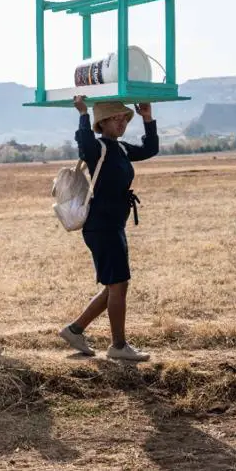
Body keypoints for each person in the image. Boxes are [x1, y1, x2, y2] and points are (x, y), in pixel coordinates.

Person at [59, 97, 158, 361]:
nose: (123, 122)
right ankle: (118, 346)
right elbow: (84, 144)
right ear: (101, 123)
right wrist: (82, 113)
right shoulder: (98, 148)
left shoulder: (122, 149)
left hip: (113, 224)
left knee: (115, 285)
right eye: (117, 118)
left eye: (125, 118)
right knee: (119, 284)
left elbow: (150, 149)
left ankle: (75, 329)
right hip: (101, 226)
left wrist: (147, 118)